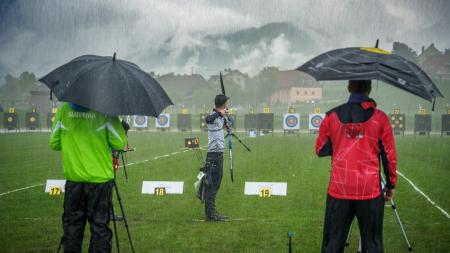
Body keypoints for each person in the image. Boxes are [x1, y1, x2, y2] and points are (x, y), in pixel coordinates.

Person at [315, 80, 397, 253]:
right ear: (369, 89)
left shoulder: (332, 116)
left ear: (349, 88)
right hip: (370, 190)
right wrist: (391, 185)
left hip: (339, 189)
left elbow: (320, 149)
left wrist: (342, 142)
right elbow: (389, 155)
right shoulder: (380, 117)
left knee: (332, 244)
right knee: (372, 244)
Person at [50, 103, 128, 253]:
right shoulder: (105, 109)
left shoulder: (64, 110)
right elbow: (119, 143)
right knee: (99, 227)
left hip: (74, 179)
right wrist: (121, 129)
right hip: (100, 180)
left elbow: (54, 143)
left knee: (72, 227)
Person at [203, 94, 231, 222]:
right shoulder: (213, 115)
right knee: (212, 184)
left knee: (216, 183)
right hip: (213, 154)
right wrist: (220, 113)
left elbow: (230, 125)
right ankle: (210, 213)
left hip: (219, 154)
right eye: (225, 104)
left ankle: (212, 211)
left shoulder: (220, 116)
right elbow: (208, 119)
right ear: (222, 104)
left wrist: (226, 116)